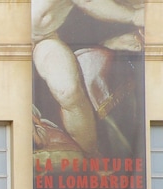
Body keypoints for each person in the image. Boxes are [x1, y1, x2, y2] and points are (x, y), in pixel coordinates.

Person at [32, 0, 144, 157]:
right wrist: (135, 16)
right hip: (1, 44)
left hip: (44, 40)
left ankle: (92, 155)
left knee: (68, 89)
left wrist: (136, 14)